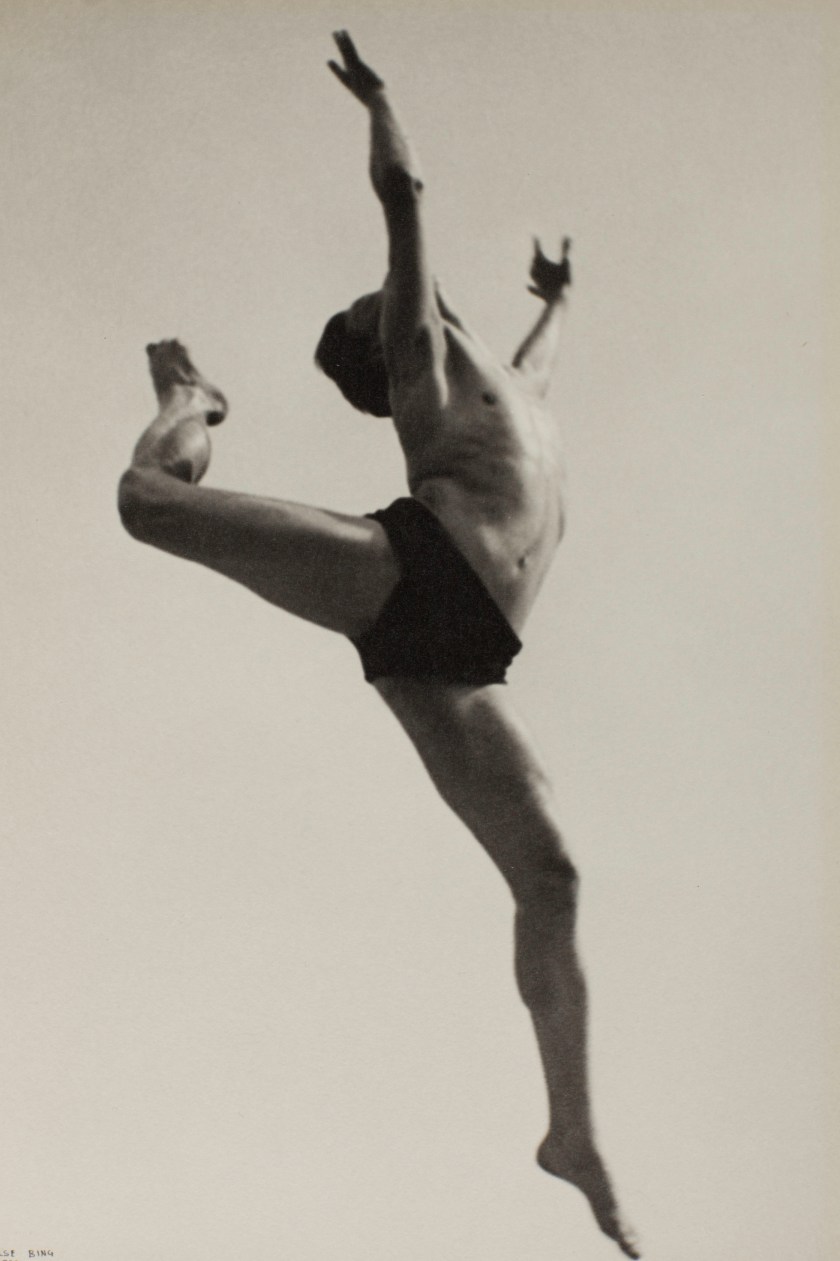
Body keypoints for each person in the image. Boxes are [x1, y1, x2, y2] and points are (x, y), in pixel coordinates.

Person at [118, 31, 640, 1258]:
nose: (383, 297)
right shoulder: (415, 361)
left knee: (554, 876)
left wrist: (557, 298)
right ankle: (191, 401)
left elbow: (536, 365)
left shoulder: (511, 391)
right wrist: (381, 98)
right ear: (383, 339)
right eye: (376, 306)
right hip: (409, 571)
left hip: (460, 653)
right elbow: (403, 200)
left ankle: (571, 1133)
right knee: (148, 505)